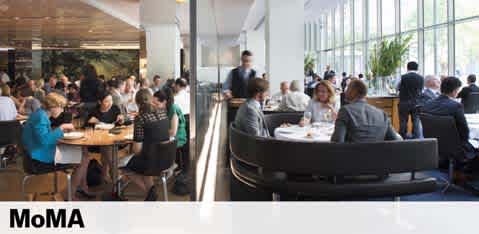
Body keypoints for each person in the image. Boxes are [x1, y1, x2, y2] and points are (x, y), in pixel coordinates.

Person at [21, 93, 92, 200]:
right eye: (61, 107)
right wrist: (61, 128)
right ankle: (68, 194)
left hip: (36, 153)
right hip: (37, 160)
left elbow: (43, 138)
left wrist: (59, 133)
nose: (62, 110)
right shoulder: (41, 117)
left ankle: (81, 187)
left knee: (84, 152)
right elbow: (44, 141)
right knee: (84, 158)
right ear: (53, 107)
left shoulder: (39, 114)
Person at [123, 89, 169, 201]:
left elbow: (137, 150)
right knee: (145, 165)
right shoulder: (163, 112)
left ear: (137, 103)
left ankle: (150, 194)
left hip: (151, 161)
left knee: (123, 168)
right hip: (166, 158)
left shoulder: (141, 118)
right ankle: (151, 194)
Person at [421, 77, 477, 165]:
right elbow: (464, 131)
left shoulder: (427, 104)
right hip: (455, 147)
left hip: (433, 143)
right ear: (455, 90)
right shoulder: (456, 106)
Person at [331, 80, 401, 143]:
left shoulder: (345, 111)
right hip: (377, 156)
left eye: (347, 89)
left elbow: (337, 142)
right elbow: (395, 141)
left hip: (352, 156)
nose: (345, 91)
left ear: (351, 92)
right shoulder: (382, 114)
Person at [153, 88, 189, 195]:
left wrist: (156, 131)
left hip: (179, 138)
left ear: (164, 102)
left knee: (156, 146)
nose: (153, 105)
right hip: (168, 136)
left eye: (156, 103)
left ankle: (168, 168)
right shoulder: (162, 108)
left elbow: (173, 132)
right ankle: (167, 169)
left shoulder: (173, 109)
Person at [86, 91, 124, 180]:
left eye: (111, 100)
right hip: (96, 140)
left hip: (114, 137)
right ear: (100, 102)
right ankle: (114, 175)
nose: (110, 103)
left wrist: (121, 120)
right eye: (106, 101)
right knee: (106, 147)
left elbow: (121, 124)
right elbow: (86, 127)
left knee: (107, 148)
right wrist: (91, 121)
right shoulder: (94, 111)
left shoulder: (115, 108)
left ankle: (106, 174)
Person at [398, 61, 424, 139]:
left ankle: (403, 137)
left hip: (404, 102)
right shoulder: (421, 78)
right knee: (416, 121)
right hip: (416, 103)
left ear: (407, 67)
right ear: (417, 68)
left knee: (403, 121)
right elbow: (421, 90)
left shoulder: (403, 77)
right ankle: (415, 138)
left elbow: (397, 87)